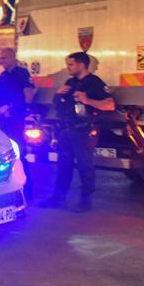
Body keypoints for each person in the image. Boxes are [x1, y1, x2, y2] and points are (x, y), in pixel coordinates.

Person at [39, 52, 115, 213]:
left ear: (82, 65)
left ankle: (85, 201)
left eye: (71, 64)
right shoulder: (69, 82)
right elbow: (59, 104)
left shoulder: (94, 83)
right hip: (65, 129)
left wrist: (88, 100)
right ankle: (58, 198)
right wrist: (58, 95)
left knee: (84, 166)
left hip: (83, 130)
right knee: (63, 165)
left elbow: (110, 105)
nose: (68, 68)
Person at [0, 48, 35, 200]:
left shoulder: (21, 73)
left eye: (3, 57)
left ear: (12, 57)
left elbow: (28, 93)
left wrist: (20, 110)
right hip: (3, 120)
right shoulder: (1, 77)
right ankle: (5, 187)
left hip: (16, 119)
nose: (0, 61)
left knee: (19, 153)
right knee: (4, 153)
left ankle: (26, 188)